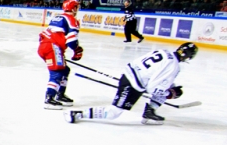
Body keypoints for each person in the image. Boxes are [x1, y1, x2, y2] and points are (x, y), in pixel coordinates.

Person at [64, 42, 198, 125]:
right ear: (189, 57)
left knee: (165, 87)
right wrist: (171, 94)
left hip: (131, 75)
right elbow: (153, 88)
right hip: (133, 84)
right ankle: (77, 114)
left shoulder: (164, 52)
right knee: (113, 113)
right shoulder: (174, 66)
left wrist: (169, 88)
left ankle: (149, 111)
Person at [38, 0, 83, 110]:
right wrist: (77, 50)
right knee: (57, 72)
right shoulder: (72, 19)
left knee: (65, 70)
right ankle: (49, 99)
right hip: (52, 47)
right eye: (77, 7)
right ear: (74, 8)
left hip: (44, 46)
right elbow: (71, 41)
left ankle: (60, 94)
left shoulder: (57, 17)